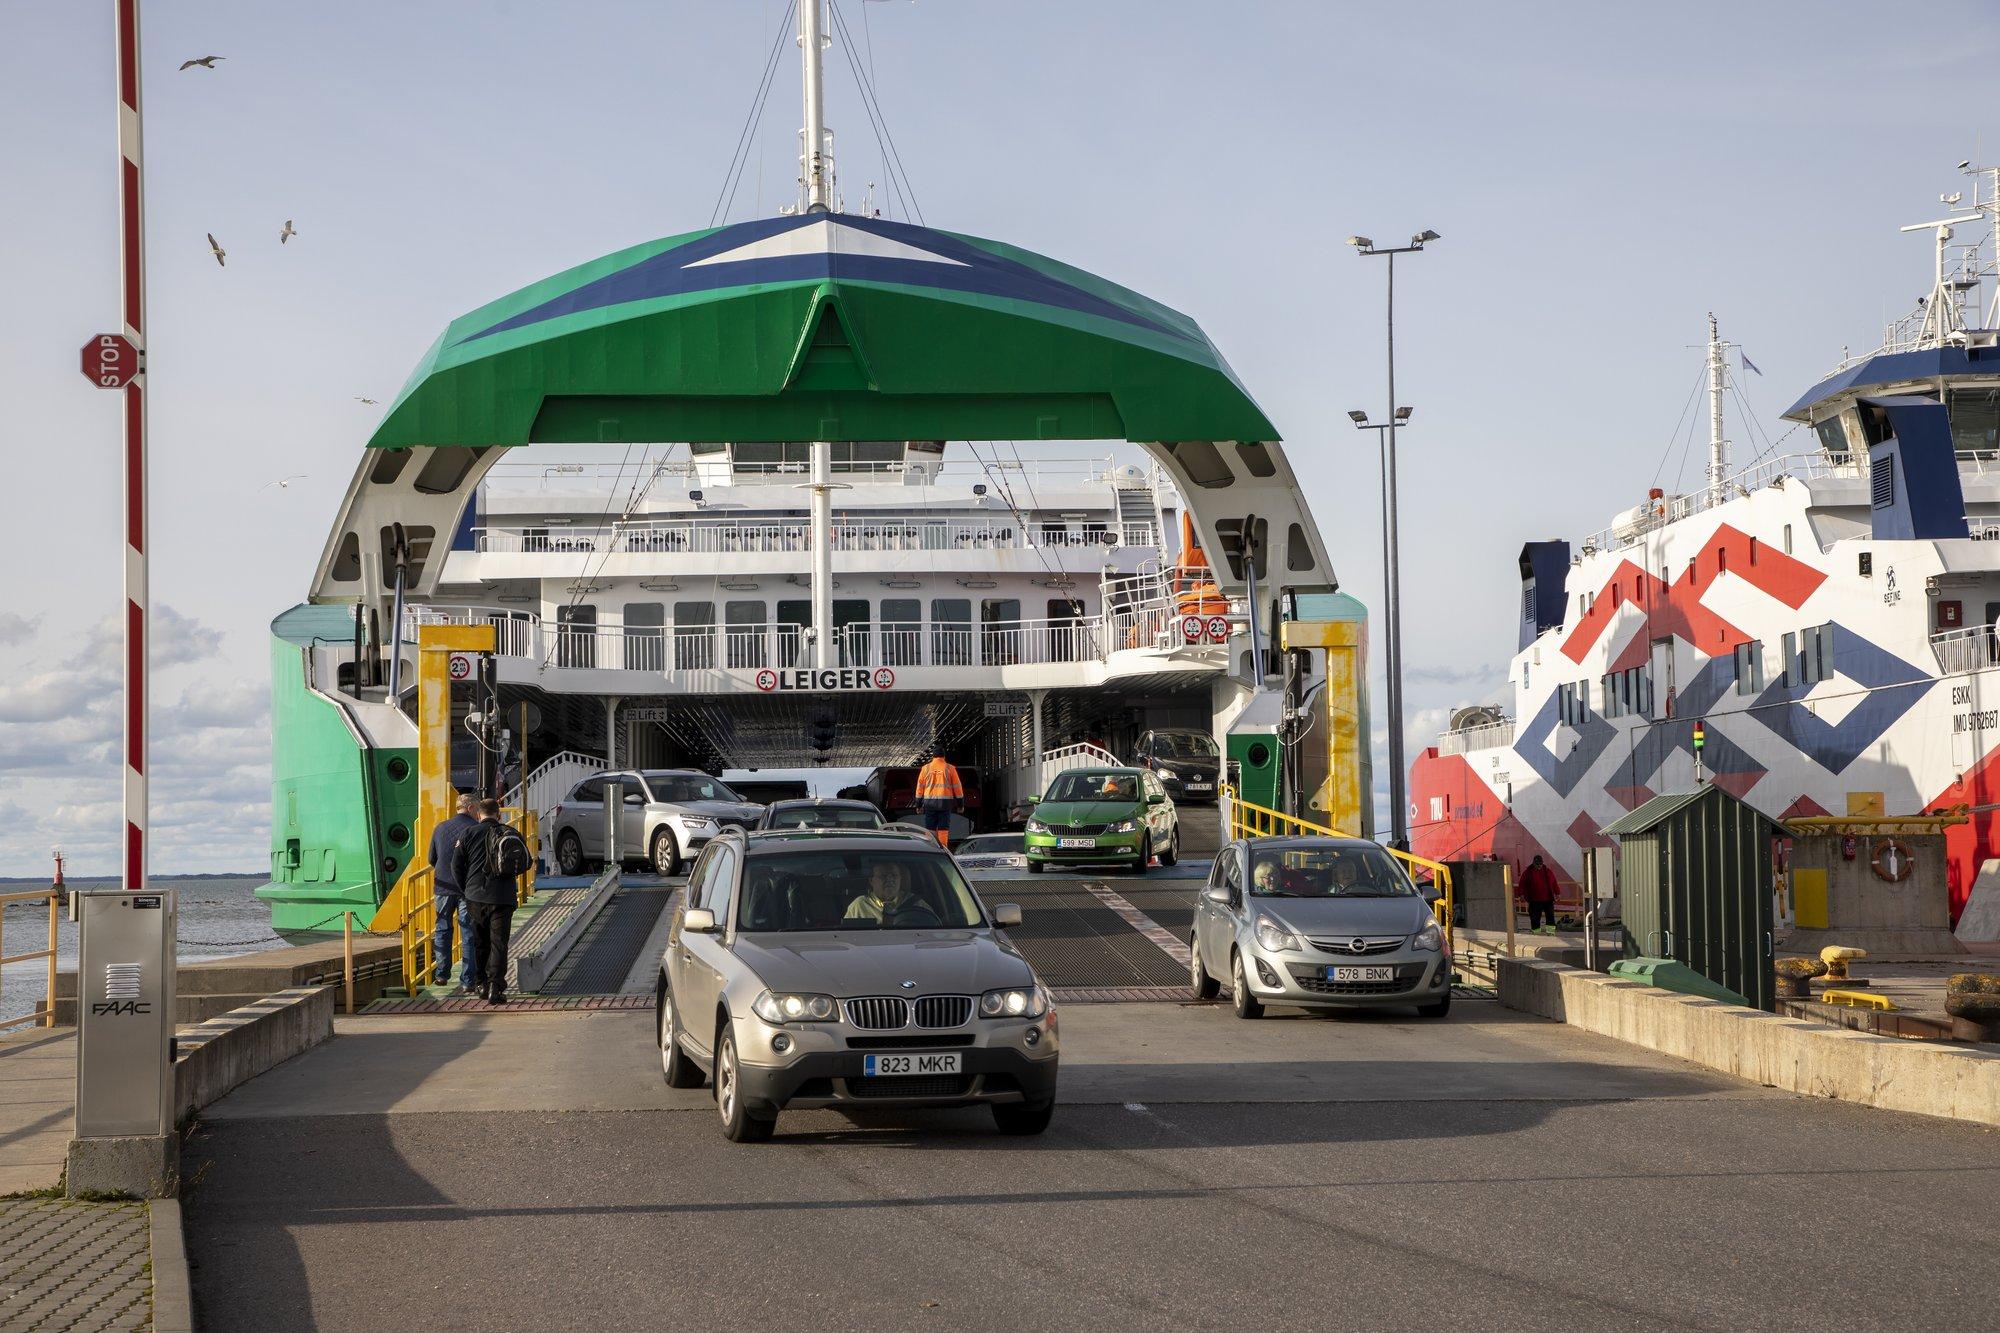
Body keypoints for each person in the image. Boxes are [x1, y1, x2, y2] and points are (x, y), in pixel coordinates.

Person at [453, 798, 530, 1004]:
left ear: (478, 814)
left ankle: (481, 985)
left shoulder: (467, 834)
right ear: (499, 814)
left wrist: (465, 890)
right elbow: (527, 861)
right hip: (503, 897)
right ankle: (496, 987)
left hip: (475, 897)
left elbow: (456, 866)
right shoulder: (510, 832)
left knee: (480, 942)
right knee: (499, 943)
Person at [427, 793, 482, 993]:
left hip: (443, 887)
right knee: (468, 932)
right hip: (467, 888)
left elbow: (431, 858)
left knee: (442, 928)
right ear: (470, 808)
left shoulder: (440, 828)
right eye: (477, 809)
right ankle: (468, 980)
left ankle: (441, 974)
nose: (478, 813)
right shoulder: (475, 829)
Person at [843, 861, 941, 927]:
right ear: (871, 881)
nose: (890, 880)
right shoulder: (859, 906)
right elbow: (846, 937)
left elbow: (936, 930)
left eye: (894, 876)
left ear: (900, 879)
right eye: (883, 876)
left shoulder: (917, 904)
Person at [914, 750, 964, 848]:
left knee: (930, 827)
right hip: (945, 804)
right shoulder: (950, 768)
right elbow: (958, 788)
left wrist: (918, 805)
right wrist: (960, 804)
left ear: (933, 757)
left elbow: (919, 788)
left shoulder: (925, 769)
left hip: (929, 803)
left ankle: (930, 847)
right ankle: (943, 848)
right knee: (943, 828)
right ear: (944, 757)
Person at [1520, 854, 1560, 931]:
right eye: (1537, 864)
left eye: (1540, 864)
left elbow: (1554, 883)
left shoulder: (1548, 872)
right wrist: (1521, 894)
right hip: (1534, 900)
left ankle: (1551, 933)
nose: (1539, 866)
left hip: (1548, 900)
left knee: (1550, 918)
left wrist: (1557, 893)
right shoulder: (1527, 873)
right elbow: (1522, 884)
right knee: (1535, 919)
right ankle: (1536, 934)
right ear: (1533, 863)